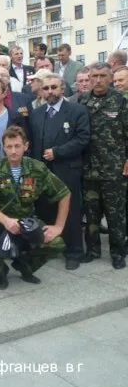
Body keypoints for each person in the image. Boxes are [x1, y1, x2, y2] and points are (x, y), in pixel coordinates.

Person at [0, 126, 70, 290]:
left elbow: (64, 193)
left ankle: (24, 266)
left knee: (57, 243)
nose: (13, 151)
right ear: (3, 147)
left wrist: (59, 226)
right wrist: (6, 221)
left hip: (28, 220)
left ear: (26, 146)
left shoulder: (37, 168)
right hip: (1, 221)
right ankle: (0, 271)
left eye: (17, 146)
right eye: (9, 147)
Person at [29, 73, 90, 270]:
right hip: (43, 172)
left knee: (70, 212)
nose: (50, 92)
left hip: (67, 169)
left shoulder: (76, 110)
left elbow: (82, 138)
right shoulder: (36, 114)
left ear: (62, 89)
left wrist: (57, 152)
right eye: (46, 88)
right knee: (46, 209)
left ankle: (74, 252)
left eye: (54, 87)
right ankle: (52, 246)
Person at [80, 62, 128, 268]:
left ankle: (118, 253)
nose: (98, 80)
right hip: (89, 169)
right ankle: (93, 249)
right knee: (91, 213)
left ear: (110, 78)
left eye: (102, 76)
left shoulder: (121, 102)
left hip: (114, 169)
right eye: (94, 76)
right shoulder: (83, 102)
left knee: (115, 213)